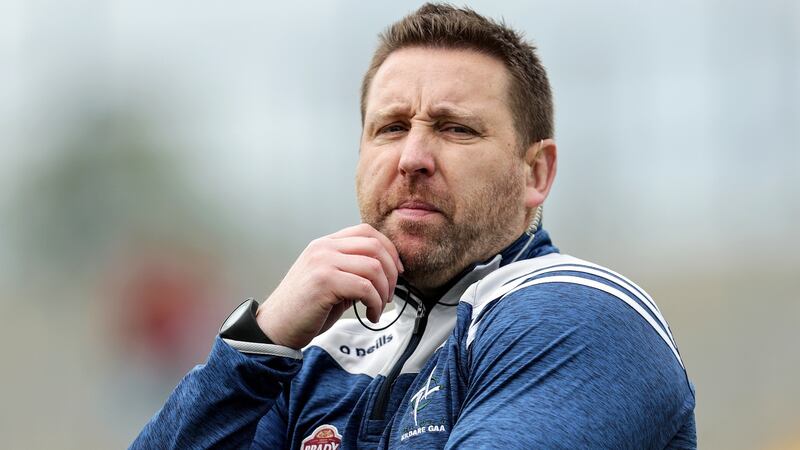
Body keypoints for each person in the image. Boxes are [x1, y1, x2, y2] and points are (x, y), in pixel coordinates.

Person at [132, 4, 696, 449]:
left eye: (455, 129)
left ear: (535, 172)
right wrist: (263, 341)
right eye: (391, 127)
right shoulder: (312, 353)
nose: (413, 157)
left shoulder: (578, 315)